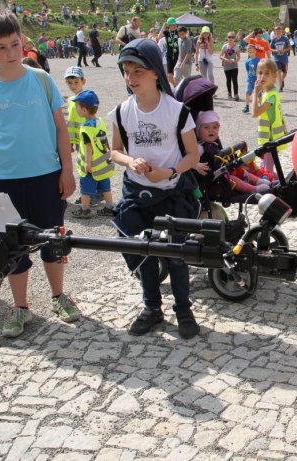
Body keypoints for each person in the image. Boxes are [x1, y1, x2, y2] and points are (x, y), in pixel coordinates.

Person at [0, 7, 80, 338]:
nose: (10, 53)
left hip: (46, 175)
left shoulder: (41, 79)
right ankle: (20, 307)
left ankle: (59, 296)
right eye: (0, 48)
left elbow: (61, 129)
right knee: (11, 247)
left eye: (15, 44)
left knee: (53, 239)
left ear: (22, 41)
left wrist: (67, 170)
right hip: (2, 181)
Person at [109, 38, 201, 339]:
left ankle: (184, 309)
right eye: (126, 71)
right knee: (143, 251)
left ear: (154, 72)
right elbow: (115, 150)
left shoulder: (177, 111)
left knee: (176, 255)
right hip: (138, 193)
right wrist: (130, 161)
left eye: (138, 71)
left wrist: (170, 171)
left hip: (172, 192)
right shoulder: (122, 111)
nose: (131, 78)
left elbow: (192, 155)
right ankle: (152, 307)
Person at [193, 110, 270, 194]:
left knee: (241, 170)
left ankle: (259, 181)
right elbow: (189, 158)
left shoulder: (214, 144)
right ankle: (253, 189)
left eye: (214, 127)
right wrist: (195, 165)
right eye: (206, 127)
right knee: (232, 179)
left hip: (221, 171)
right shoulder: (200, 147)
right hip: (211, 178)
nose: (211, 130)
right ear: (198, 130)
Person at [71, 90, 115, 219]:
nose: (76, 109)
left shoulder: (86, 128)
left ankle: (85, 210)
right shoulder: (99, 121)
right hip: (103, 165)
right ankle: (109, 207)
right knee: (105, 188)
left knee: (85, 189)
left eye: (77, 107)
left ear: (84, 110)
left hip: (91, 167)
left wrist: (87, 163)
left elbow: (88, 147)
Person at [251, 59, 286, 176]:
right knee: (266, 170)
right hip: (268, 141)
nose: (262, 76)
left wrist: (255, 93)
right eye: (260, 73)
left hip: (271, 141)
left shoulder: (271, 95)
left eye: (267, 73)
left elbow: (254, 113)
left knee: (267, 173)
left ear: (275, 75)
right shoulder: (268, 92)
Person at [64, 66, 86, 155]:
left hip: (85, 138)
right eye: (70, 83)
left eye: (76, 82)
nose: (73, 86)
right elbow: (71, 122)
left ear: (83, 81)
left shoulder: (84, 99)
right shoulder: (71, 100)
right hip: (78, 139)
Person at [157, 17, 178, 86]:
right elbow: (159, 38)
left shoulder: (177, 36)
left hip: (176, 59)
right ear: (169, 26)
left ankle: (175, 88)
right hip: (165, 60)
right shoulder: (163, 39)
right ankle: (172, 89)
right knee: (168, 77)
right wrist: (163, 26)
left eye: (175, 25)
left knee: (176, 76)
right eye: (173, 25)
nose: (175, 26)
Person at [269, 25, 290, 92]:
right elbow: (270, 48)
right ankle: (280, 87)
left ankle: (282, 80)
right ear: (274, 32)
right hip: (276, 58)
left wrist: (284, 50)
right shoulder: (273, 40)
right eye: (276, 31)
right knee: (278, 71)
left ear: (281, 32)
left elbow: (289, 47)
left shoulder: (285, 39)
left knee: (285, 72)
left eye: (279, 31)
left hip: (284, 58)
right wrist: (275, 50)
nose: (278, 32)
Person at [219, 31, 239, 101]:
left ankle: (236, 95)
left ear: (234, 38)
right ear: (227, 38)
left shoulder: (236, 46)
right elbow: (220, 56)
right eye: (229, 37)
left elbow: (239, 56)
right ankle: (229, 94)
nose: (231, 38)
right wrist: (226, 60)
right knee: (228, 80)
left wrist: (236, 61)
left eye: (232, 37)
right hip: (226, 66)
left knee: (235, 80)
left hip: (234, 66)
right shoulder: (225, 46)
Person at [242, 43, 259, 114]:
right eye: (249, 52)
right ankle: (247, 106)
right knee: (247, 92)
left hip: (257, 80)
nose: (251, 53)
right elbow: (247, 70)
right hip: (249, 80)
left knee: (259, 94)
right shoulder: (247, 61)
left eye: (252, 51)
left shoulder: (258, 60)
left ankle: (261, 106)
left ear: (255, 51)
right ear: (247, 52)